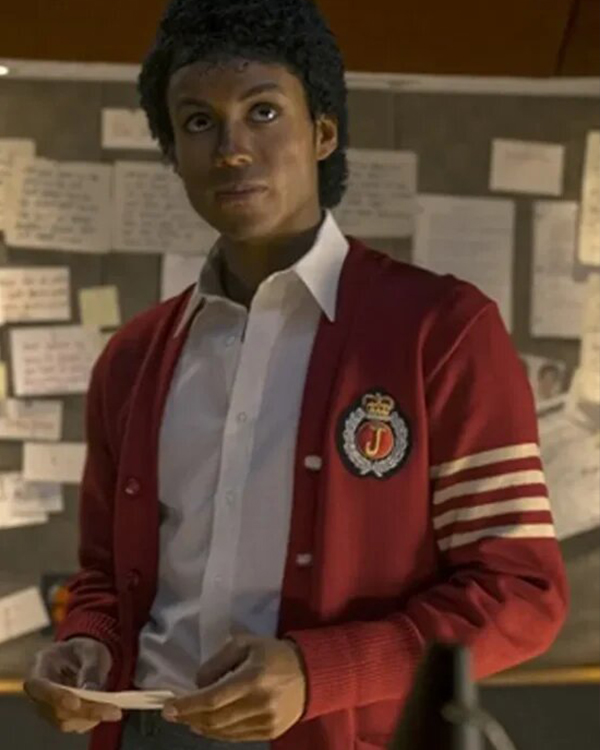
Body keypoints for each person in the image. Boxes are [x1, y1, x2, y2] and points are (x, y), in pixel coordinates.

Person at [24, 1, 569, 748]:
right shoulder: (134, 358)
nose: (232, 149)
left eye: (263, 111)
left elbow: (520, 592)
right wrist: (89, 640)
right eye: (198, 122)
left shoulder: (440, 332)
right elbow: (102, 579)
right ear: (173, 153)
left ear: (323, 132)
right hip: (151, 732)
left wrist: (320, 674)